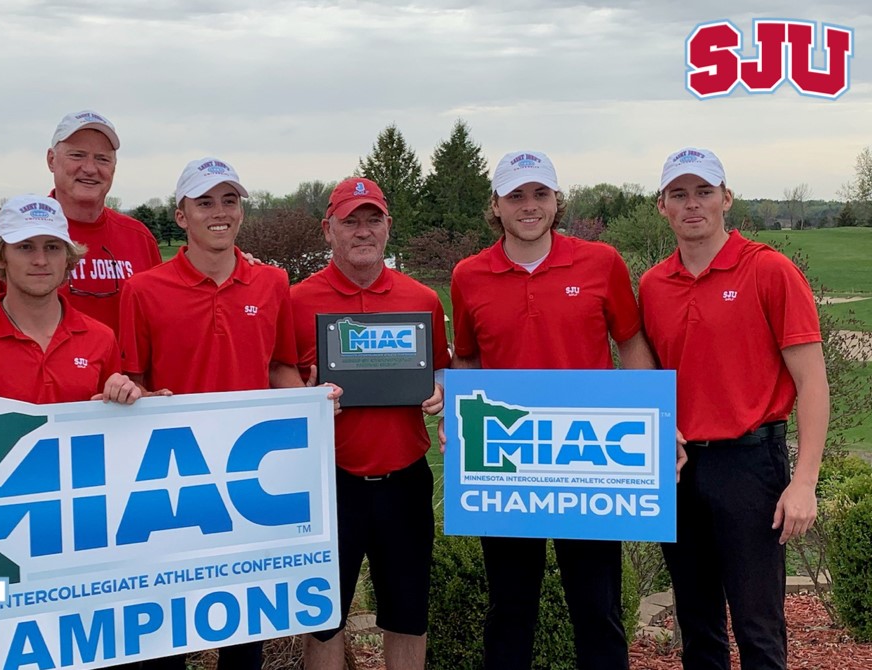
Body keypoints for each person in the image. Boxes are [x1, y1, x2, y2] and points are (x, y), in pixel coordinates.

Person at [118, 157, 335, 669]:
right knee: (164, 635)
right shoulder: (143, 290)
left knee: (243, 632)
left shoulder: (271, 283)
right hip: (171, 484)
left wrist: (310, 403)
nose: (220, 213)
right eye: (205, 202)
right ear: (181, 215)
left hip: (246, 485)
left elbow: (280, 366)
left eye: (229, 200)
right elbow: (134, 380)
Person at [449, 151, 654, 670]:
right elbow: (469, 357)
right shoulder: (469, 276)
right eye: (515, 195)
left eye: (540, 193)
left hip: (588, 461)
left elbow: (629, 342)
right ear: (495, 206)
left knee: (597, 608)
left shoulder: (601, 262)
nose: (529, 205)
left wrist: (657, 419)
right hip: (507, 463)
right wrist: (461, 419)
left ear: (557, 200)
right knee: (510, 608)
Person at [640, 147, 829, 670]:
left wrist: (805, 481)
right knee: (697, 625)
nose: (692, 204)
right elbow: (650, 378)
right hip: (677, 468)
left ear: (727, 198)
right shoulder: (653, 286)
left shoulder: (768, 270)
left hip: (749, 464)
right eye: (679, 194)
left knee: (757, 625)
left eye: (704, 191)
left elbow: (812, 382)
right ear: (663, 206)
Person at [290, 177, 448, 670]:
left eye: (372, 219)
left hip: (404, 479)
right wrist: (303, 399)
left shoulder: (422, 299)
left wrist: (443, 391)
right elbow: (277, 380)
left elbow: (440, 370)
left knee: (407, 618)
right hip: (327, 483)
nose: (362, 231)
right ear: (328, 229)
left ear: (388, 227)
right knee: (323, 621)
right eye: (349, 221)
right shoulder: (295, 301)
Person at [0, 110, 162, 333]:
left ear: (113, 167)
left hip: (121, 368)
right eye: (77, 155)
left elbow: (160, 323)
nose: (90, 168)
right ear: (51, 160)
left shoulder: (139, 237)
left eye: (102, 158)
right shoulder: (10, 230)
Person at [0, 194, 140, 405]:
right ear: (0, 257)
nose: (40, 261)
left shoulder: (101, 339)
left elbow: (112, 428)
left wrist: (123, 396)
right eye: (25, 247)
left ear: (67, 258)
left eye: (52, 247)